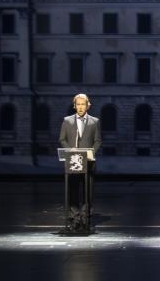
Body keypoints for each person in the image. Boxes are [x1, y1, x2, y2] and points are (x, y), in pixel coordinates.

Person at [58, 93, 102, 232]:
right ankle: (75, 219)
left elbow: (98, 141)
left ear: (88, 106)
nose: (81, 107)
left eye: (83, 104)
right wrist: (69, 150)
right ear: (74, 106)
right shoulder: (67, 121)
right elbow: (62, 139)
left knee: (87, 193)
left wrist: (91, 153)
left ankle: (85, 219)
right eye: (78, 104)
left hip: (88, 163)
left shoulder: (95, 121)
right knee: (73, 192)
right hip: (73, 163)